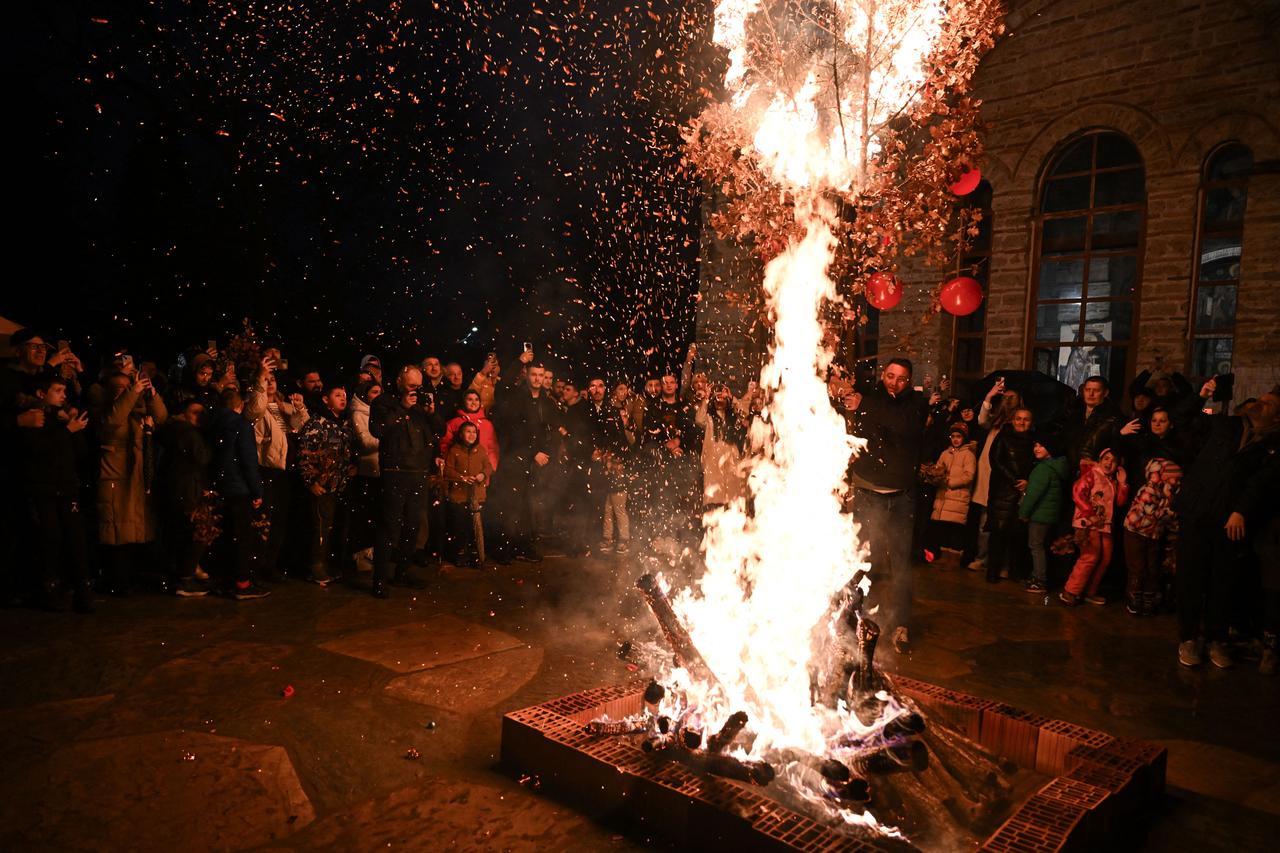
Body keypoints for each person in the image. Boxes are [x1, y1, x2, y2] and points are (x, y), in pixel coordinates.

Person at [1173, 381, 1280, 669]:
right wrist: (1201, 396)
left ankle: (1216, 638)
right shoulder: (1225, 426)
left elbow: (1261, 484)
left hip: (1228, 520)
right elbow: (1181, 420)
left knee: (1223, 580)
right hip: (1197, 513)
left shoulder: (1270, 448)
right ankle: (1189, 637)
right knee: (1191, 577)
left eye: (1268, 404)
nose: (1260, 404)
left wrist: (1241, 510)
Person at [845, 357, 931, 652]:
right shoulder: (869, 398)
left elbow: (903, 426)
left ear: (909, 381)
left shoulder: (917, 404)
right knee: (861, 558)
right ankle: (849, 616)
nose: (894, 382)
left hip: (901, 495)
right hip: (869, 491)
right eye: (890, 376)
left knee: (901, 561)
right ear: (883, 374)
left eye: (901, 378)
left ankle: (901, 625)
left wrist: (865, 404)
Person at [20, 375, 94, 612]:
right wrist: (68, 431)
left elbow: (80, 453)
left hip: (67, 486)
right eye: (58, 390)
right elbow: (38, 452)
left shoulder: (61, 419)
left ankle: (82, 590)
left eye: (64, 391)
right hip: (45, 487)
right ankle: (48, 589)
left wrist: (73, 429)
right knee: (50, 538)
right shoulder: (35, 418)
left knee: (76, 538)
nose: (63, 395)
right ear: (42, 394)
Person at [96, 368, 168, 594]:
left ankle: (132, 578)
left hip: (137, 479)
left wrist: (152, 394)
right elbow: (113, 420)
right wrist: (133, 392)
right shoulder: (105, 412)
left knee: (135, 532)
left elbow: (162, 418)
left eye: (126, 387)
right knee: (118, 533)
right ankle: (118, 581)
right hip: (116, 479)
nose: (124, 392)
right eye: (118, 388)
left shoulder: (137, 411)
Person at [369, 366, 439, 597]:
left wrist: (431, 412)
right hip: (394, 472)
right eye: (411, 386)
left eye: (418, 387)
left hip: (419, 473)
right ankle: (379, 580)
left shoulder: (422, 405)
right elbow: (378, 430)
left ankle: (402, 572)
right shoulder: (384, 402)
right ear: (399, 381)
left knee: (413, 525)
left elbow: (441, 430)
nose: (415, 391)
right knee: (389, 527)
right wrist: (402, 408)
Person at [488, 360, 558, 563]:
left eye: (541, 375)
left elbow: (550, 430)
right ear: (527, 375)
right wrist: (519, 361)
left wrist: (546, 452)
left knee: (529, 505)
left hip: (536, 463)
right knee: (510, 505)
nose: (537, 379)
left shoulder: (546, 402)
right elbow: (515, 430)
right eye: (534, 374)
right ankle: (503, 549)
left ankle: (523, 546)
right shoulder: (516, 397)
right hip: (514, 459)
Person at [245, 358, 308, 580]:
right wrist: (260, 379)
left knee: (280, 520)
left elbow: (302, 427)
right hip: (267, 469)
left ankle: (270, 564)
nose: (271, 382)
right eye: (267, 379)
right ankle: (255, 567)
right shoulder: (258, 404)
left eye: (273, 379)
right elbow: (253, 410)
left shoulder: (284, 406)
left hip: (285, 471)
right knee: (264, 520)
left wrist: (299, 409)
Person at [209, 388, 270, 600]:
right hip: (238, 488)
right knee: (242, 538)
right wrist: (257, 490)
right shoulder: (241, 426)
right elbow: (248, 460)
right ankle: (242, 584)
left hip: (218, 487)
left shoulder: (211, 424)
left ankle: (224, 580)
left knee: (223, 536)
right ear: (240, 405)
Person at [297, 384, 354, 587]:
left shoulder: (344, 425)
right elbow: (305, 452)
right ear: (325, 399)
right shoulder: (317, 424)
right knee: (320, 528)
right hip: (322, 485)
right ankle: (315, 566)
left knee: (333, 527)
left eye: (345, 395)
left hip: (339, 485)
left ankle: (329, 563)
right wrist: (310, 480)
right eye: (337, 395)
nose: (343, 398)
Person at [156, 396, 212, 597]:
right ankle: (185, 578)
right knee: (197, 532)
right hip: (188, 489)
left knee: (181, 533)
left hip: (176, 488)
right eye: (195, 412)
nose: (200, 417)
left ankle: (180, 575)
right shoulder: (187, 432)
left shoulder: (169, 430)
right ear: (183, 413)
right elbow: (203, 457)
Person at [965, 379, 1023, 571]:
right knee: (984, 522)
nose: (1008, 400)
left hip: (1004, 478)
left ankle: (1001, 564)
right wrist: (991, 396)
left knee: (1004, 523)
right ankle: (983, 559)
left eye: (1012, 397)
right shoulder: (996, 421)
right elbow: (982, 420)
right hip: (987, 475)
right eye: (1007, 397)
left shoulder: (1018, 424)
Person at [1060, 447, 1129, 606]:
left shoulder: (1111, 480)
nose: (1109, 463)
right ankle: (1071, 591)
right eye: (1106, 459)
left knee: (1105, 558)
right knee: (1090, 556)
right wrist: (1089, 513)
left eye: (1113, 460)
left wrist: (1123, 484)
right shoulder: (1092, 474)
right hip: (1088, 523)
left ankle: (1089, 591)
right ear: (1100, 460)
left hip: (1104, 524)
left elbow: (1119, 502)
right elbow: (1077, 492)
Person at [1122, 459, 1183, 616]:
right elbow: (1151, 513)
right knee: (1138, 567)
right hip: (1135, 533)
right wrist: (1170, 510)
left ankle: (1148, 599)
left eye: (1178, 479)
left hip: (1153, 535)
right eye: (1172, 478)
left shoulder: (1172, 494)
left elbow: (1173, 519)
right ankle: (1134, 600)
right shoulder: (1149, 490)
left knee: (1152, 568)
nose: (1176, 482)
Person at [985, 407, 1037, 584]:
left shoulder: (1034, 441)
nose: (1021, 422)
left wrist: (1028, 481)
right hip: (1003, 490)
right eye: (1018, 419)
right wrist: (1015, 480)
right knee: (998, 534)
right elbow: (996, 460)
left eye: (1026, 419)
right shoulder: (1003, 437)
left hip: (1023, 493)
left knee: (1018, 535)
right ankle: (993, 571)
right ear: (1012, 420)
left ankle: (1016, 571)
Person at [1018, 434, 1068, 594]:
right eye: (1035, 446)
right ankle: (1037, 576)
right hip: (1049, 515)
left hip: (1039, 515)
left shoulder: (1043, 469)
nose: (1036, 449)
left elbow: (1033, 494)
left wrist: (1024, 513)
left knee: (1035, 546)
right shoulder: (1056, 467)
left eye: (1041, 446)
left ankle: (1040, 580)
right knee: (1039, 545)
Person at [443, 421, 493, 567]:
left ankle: (475, 553)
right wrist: (462, 478)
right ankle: (460, 553)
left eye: (474, 432)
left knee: (474, 526)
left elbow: (488, 466)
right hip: (459, 496)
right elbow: (448, 470)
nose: (471, 435)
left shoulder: (480, 450)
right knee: (460, 526)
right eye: (468, 431)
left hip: (477, 495)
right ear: (460, 434)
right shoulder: (455, 450)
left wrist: (482, 475)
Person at [694, 381, 749, 510]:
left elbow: (745, 413)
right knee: (714, 496)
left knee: (733, 496)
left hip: (731, 456)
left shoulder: (733, 416)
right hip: (713, 458)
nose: (721, 400)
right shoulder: (709, 417)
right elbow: (698, 419)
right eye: (718, 397)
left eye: (724, 398)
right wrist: (706, 398)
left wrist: (732, 398)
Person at [925, 423, 977, 556]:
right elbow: (938, 469)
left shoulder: (969, 455)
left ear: (964, 438)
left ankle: (951, 562)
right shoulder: (945, 453)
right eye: (953, 436)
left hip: (958, 499)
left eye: (959, 436)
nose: (955, 439)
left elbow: (969, 476)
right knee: (941, 532)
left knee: (954, 532)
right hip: (942, 498)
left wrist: (950, 482)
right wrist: (933, 475)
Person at [348, 379, 382, 573]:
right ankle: (361, 555)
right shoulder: (359, 413)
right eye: (373, 392)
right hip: (367, 471)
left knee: (376, 515)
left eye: (379, 392)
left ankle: (372, 552)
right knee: (366, 515)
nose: (377, 395)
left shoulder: (380, 412)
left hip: (380, 470)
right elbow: (366, 442)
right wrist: (388, 437)